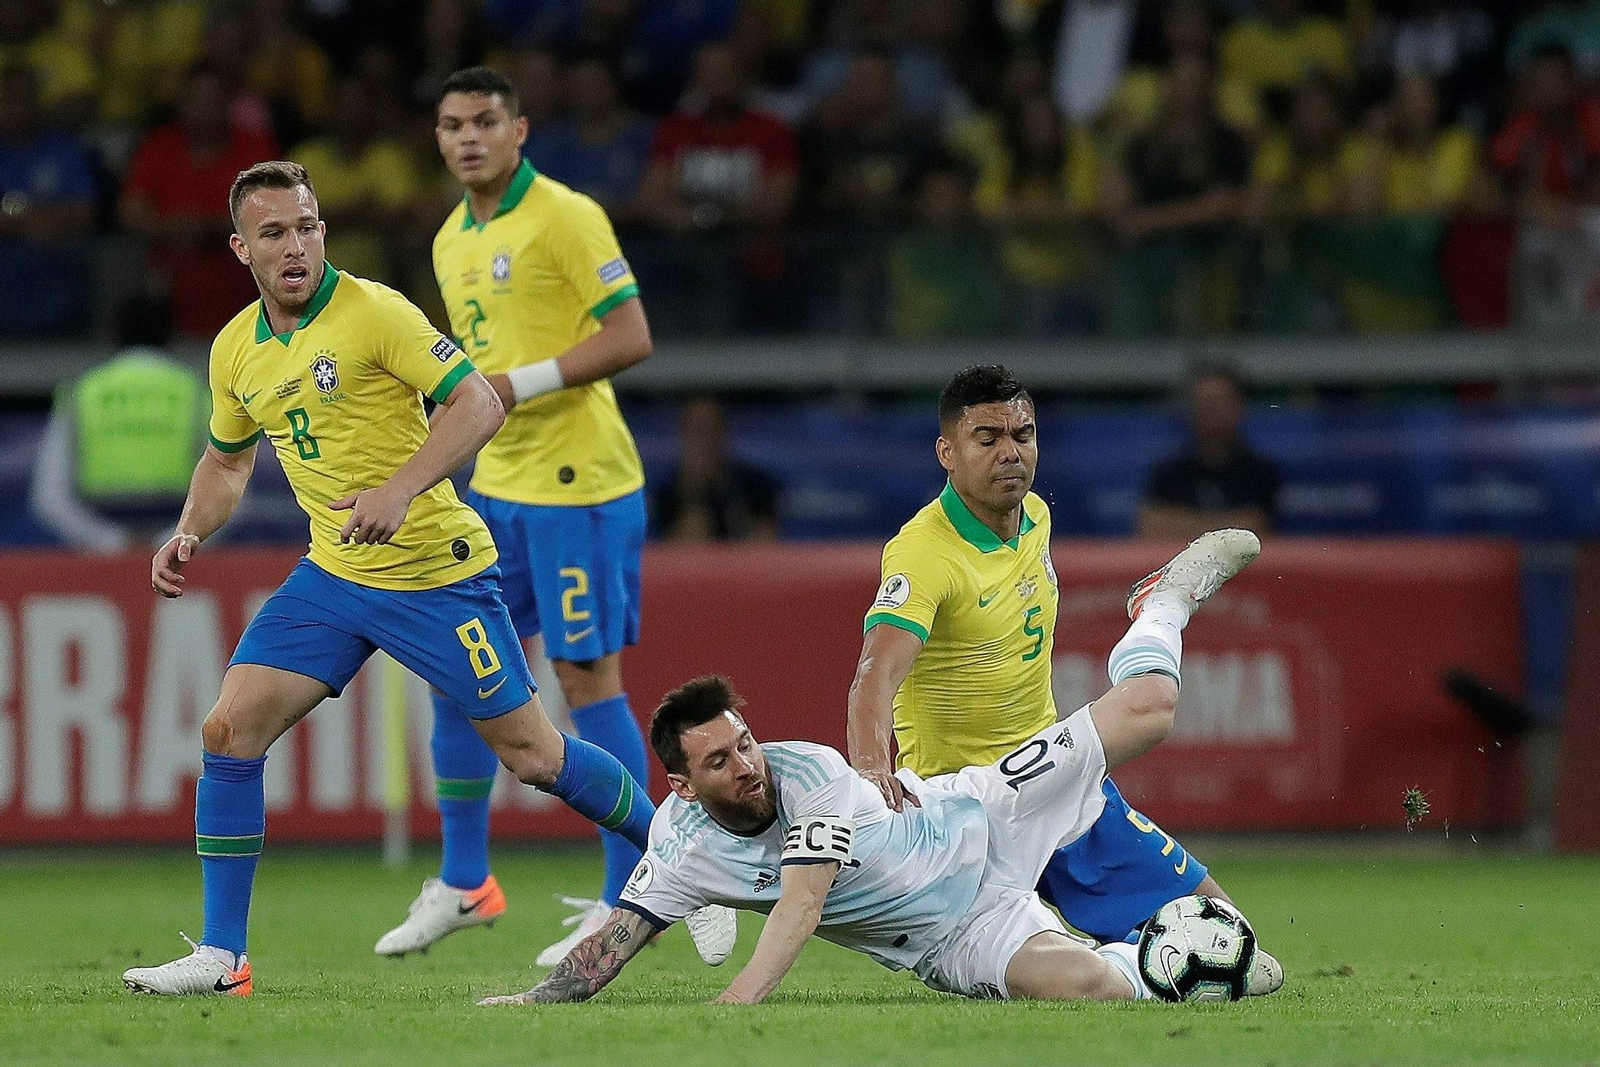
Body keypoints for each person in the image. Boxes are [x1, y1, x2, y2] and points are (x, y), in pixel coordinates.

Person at [119, 161, 658, 998]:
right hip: (335, 574)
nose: (294, 246)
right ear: (241, 250)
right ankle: (224, 957)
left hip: (436, 573)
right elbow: (227, 462)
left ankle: (679, 857)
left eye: (306, 227)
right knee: (229, 729)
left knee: (534, 754)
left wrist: (400, 489)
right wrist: (188, 528)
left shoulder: (373, 312)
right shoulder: (235, 349)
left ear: (322, 232)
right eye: (273, 233)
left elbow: (478, 401)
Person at [478, 528, 1274, 1006]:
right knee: (1091, 991)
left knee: (1149, 712)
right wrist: (529, 1000)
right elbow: (610, 946)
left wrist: (736, 1003)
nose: (748, 764)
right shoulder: (681, 847)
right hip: (948, 934)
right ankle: (1174, 965)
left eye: (744, 741)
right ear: (683, 786)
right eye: (720, 761)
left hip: (983, 809)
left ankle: (1160, 604)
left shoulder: (810, 770)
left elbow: (802, 901)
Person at [377, 66, 734, 970]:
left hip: (578, 482)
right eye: (452, 124)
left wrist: (516, 384)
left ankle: (632, 893)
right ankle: (465, 880)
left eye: (485, 122)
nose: (468, 138)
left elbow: (631, 333)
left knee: (584, 678)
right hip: (493, 485)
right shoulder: (453, 238)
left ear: (520, 130)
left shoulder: (568, 215)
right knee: (460, 670)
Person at [841, 364, 1278, 994]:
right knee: (1151, 708)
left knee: (1245, 956)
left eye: (1022, 434)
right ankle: (1161, 609)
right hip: (969, 808)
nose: (1009, 452)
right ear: (947, 453)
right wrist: (869, 774)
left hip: (1056, 778)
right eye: (986, 439)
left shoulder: (1036, 516)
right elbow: (874, 674)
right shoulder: (922, 553)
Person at [29, 298, 204, 551]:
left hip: (99, 539)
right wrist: (173, 542)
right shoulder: (196, 391)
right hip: (180, 542)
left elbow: (48, 496)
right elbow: (230, 488)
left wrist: (110, 541)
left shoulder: (83, 391)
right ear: (171, 336)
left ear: (114, 335)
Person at [1140, 366, 1281, 540]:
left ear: (1239, 407)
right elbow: (1151, 527)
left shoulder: (1260, 472)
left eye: (1219, 403)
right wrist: (1228, 525)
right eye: (1204, 403)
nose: (1211, 412)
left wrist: (1180, 524)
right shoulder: (1168, 472)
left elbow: (1257, 529)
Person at [651, 397, 780, 542]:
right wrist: (692, 492)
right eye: (695, 431)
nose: (703, 441)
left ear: (723, 434)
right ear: (683, 436)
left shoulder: (756, 486)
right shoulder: (667, 493)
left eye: (709, 430)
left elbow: (767, 540)